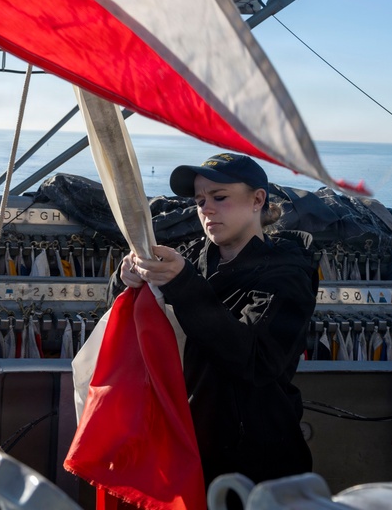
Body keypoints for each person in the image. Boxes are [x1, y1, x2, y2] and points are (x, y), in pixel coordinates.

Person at [118, 152, 318, 488]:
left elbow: (256, 360)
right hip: (192, 449)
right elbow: (137, 325)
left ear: (257, 200)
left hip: (258, 464)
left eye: (220, 197)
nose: (206, 209)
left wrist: (183, 284)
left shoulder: (287, 277)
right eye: (199, 200)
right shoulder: (195, 258)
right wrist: (124, 278)